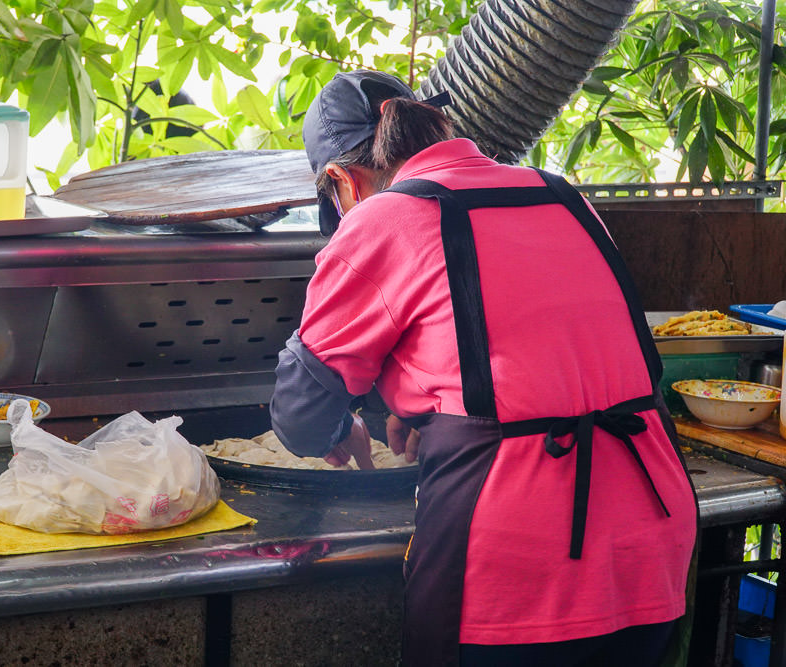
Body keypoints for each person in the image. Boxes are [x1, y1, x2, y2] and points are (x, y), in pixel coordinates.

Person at [269, 70, 698, 666]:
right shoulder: (561, 195)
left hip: (517, 560)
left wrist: (343, 426)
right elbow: (536, 344)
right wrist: (427, 405)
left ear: (341, 180)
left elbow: (301, 416)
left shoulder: (382, 217)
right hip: (652, 534)